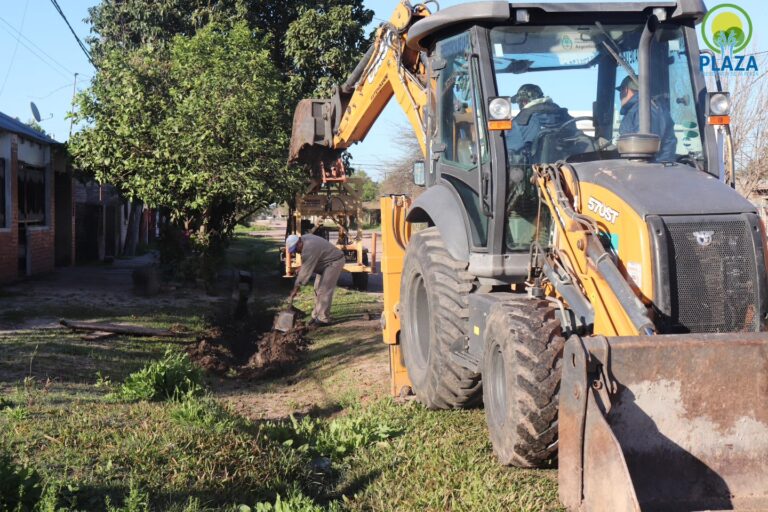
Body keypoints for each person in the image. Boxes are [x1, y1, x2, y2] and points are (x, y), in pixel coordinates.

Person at [286, 233, 345, 327]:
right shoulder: (305, 239)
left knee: (324, 290)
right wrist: (303, 267)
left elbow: (304, 275)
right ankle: (315, 316)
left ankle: (323, 319)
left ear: (298, 243)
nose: (296, 252)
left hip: (334, 262)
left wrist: (295, 289)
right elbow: (311, 260)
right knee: (317, 288)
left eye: (295, 250)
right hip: (324, 262)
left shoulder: (309, 248)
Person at [616, 76, 677, 162]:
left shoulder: (646, 109)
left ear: (625, 90)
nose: (620, 96)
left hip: (653, 170)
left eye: (620, 91)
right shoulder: (637, 109)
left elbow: (643, 149)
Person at [505, 83, 574, 156]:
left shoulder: (521, 121)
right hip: (566, 166)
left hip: (533, 167)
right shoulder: (566, 117)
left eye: (519, 102)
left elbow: (508, 152)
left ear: (524, 102)